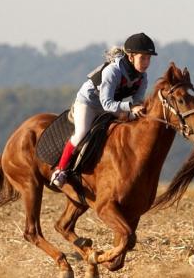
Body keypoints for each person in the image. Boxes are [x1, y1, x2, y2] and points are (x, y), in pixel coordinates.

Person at [50, 32, 157, 187]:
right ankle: (60, 170)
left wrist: (139, 110)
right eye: (143, 57)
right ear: (131, 56)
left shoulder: (142, 77)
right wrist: (131, 107)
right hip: (89, 103)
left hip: (112, 104)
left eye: (149, 58)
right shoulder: (113, 71)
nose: (146, 62)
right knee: (82, 132)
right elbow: (107, 103)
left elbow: (137, 101)